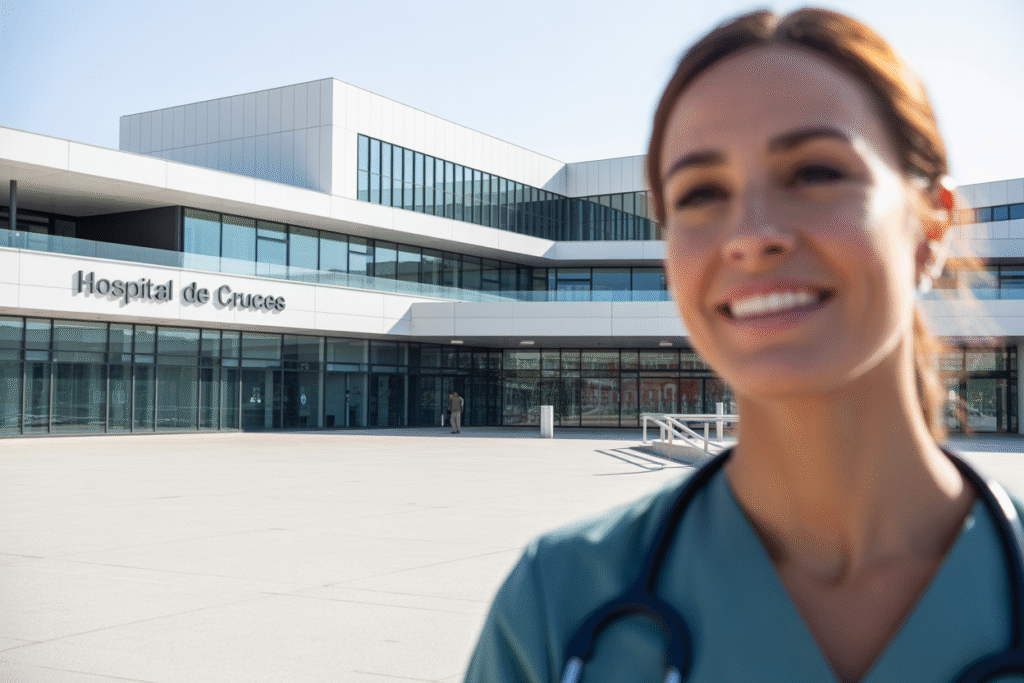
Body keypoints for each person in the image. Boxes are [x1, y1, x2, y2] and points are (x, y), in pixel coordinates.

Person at [464, 8, 1024, 683]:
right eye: (701, 193)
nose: (751, 233)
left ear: (932, 225)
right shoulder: (556, 604)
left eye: (815, 172)